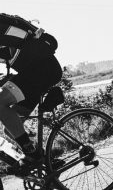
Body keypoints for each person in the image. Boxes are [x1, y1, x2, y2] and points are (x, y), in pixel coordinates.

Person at [0, 14, 62, 175]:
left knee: (0, 103)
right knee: (12, 129)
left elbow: (25, 42)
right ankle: (47, 160)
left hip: (42, 70)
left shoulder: (2, 28)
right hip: (33, 73)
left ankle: (32, 154)